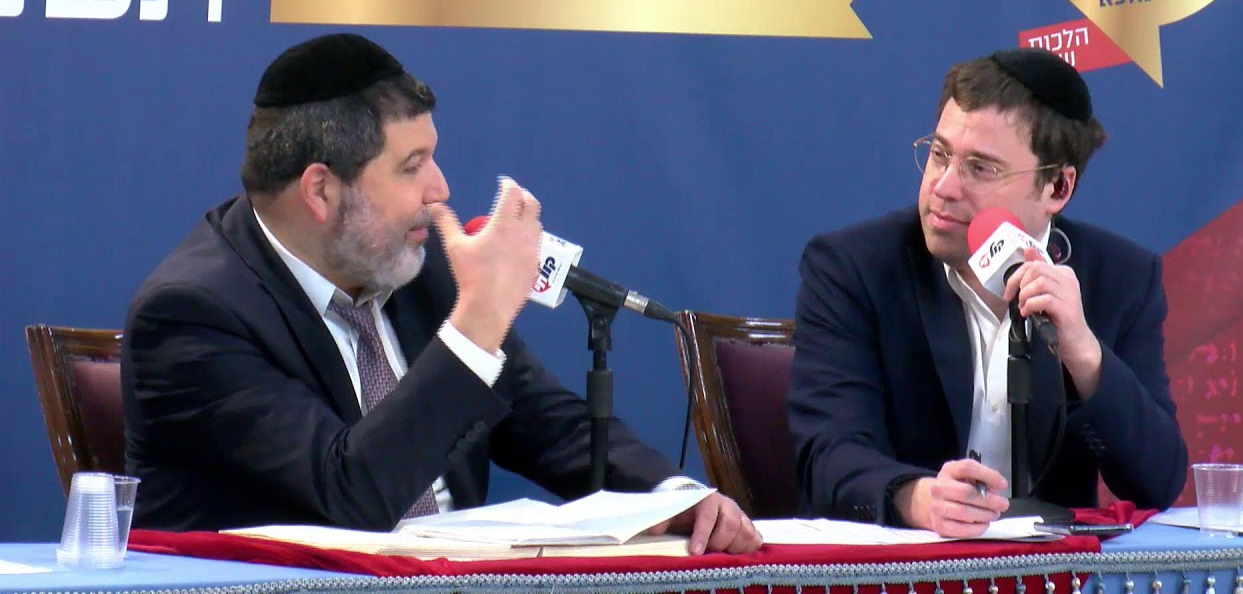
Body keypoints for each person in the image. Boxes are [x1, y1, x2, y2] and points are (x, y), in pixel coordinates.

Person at [121, 32, 762, 555]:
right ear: (320, 191)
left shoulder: (410, 270)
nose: (440, 189)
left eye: (433, 157)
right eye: (411, 166)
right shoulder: (193, 315)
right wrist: (479, 318)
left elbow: (546, 421)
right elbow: (350, 498)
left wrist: (671, 495)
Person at [786, 47, 1188, 537]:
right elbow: (827, 453)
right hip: (906, 562)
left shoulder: (1119, 278)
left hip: (1049, 569)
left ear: (1057, 188)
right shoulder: (855, 268)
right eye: (939, 155)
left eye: (980, 168)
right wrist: (916, 498)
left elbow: (1157, 482)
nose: (943, 187)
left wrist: (1085, 353)